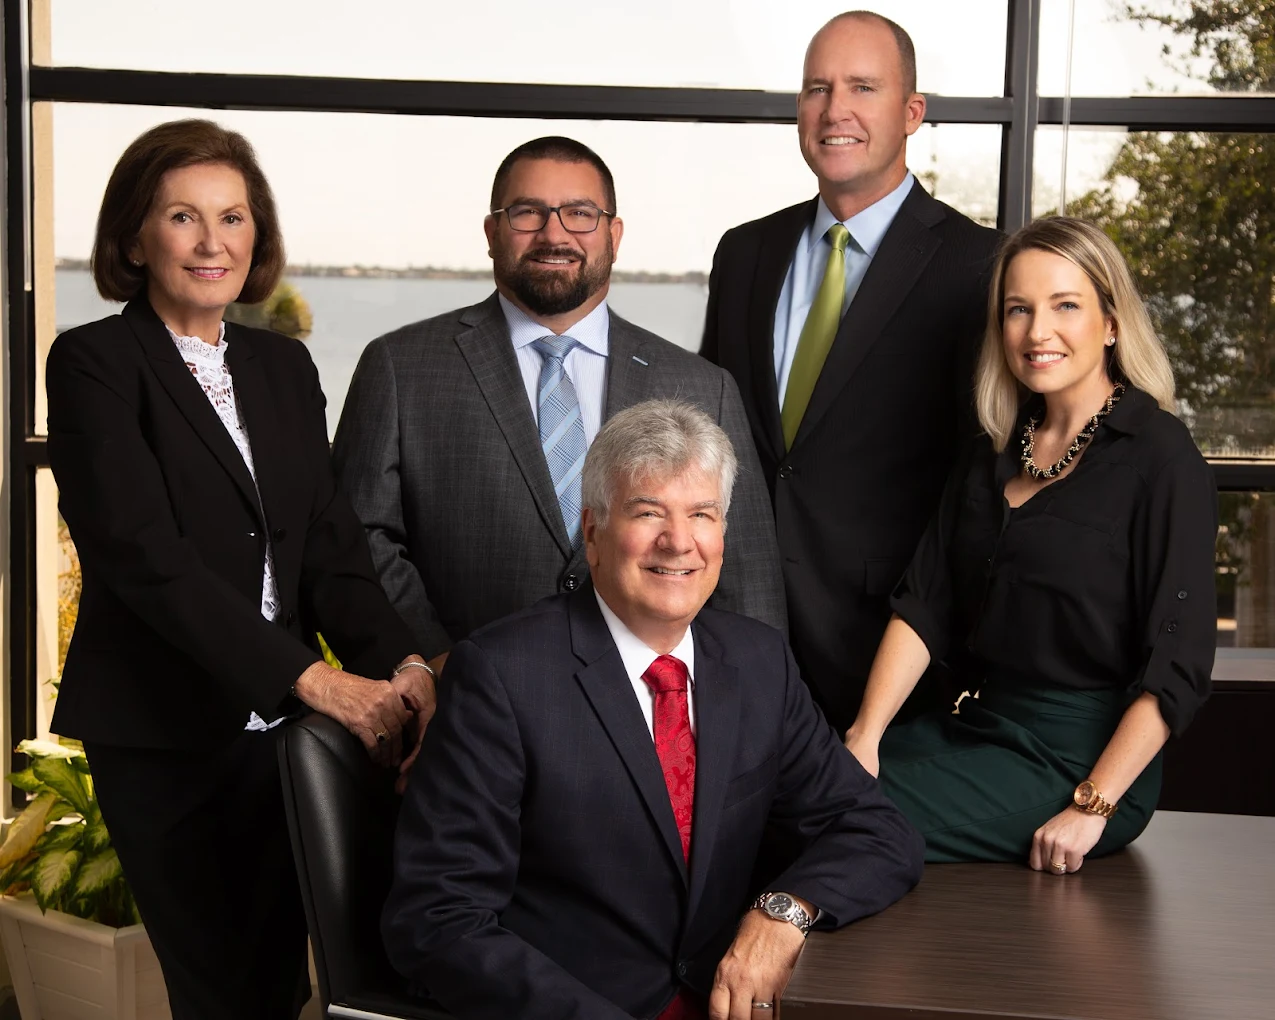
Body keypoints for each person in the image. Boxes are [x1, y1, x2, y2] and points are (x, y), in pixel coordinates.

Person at [45, 119, 431, 1019]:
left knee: (295, 981)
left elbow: (330, 547)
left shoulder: (283, 366)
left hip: (288, 738)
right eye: (182, 217)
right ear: (134, 238)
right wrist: (315, 680)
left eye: (232, 217)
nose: (211, 242)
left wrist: (407, 664)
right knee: (222, 992)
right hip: (165, 733)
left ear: (258, 237)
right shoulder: (95, 363)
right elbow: (144, 557)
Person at [383, 399, 923, 1020]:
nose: (679, 542)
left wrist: (781, 915)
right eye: (648, 513)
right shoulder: (502, 675)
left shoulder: (758, 663)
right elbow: (438, 918)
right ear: (592, 532)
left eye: (702, 514)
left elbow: (878, 830)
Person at [333, 136, 786, 763]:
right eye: (528, 212)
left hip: (655, 730)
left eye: (580, 213)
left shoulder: (702, 386)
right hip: (464, 725)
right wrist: (438, 664)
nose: (554, 233)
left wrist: (750, 738)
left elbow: (748, 582)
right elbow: (359, 538)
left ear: (614, 235)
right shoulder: (400, 367)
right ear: (492, 232)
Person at [843, 217, 1217, 870]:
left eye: (1064, 305)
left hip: (1082, 760)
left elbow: (1177, 664)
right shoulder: (990, 451)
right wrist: (864, 737)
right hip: (976, 727)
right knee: (801, 781)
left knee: (838, 816)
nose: (1037, 332)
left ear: (1110, 323)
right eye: (1018, 309)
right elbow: (924, 605)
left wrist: (1092, 805)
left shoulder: (1161, 458)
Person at [700, 11, 1001, 733]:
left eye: (863, 87)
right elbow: (710, 435)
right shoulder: (743, 253)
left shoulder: (977, 265)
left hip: (888, 655)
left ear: (912, 112)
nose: (835, 109)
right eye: (817, 88)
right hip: (732, 636)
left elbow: (979, 480)